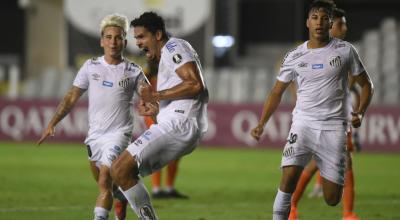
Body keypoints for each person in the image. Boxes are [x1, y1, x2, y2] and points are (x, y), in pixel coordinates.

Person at [250, 1, 374, 219]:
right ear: (308, 22)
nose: (319, 22)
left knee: (332, 198)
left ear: (329, 23)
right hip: (303, 124)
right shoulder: (294, 56)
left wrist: (361, 112)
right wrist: (262, 123)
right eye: (315, 17)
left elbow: (367, 85)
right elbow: (276, 92)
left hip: (334, 128)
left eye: (324, 18)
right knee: (287, 179)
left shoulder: (345, 51)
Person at [37, 14, 157, 220]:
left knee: (103, 181)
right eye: (108, 37)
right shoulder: (90, 67)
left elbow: (149, 98)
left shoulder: (133, 71)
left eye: (118, 37)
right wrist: (53, 122)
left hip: (118, 136)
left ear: (124, 42)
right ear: (102, 41)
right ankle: (125, 194)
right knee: (109, 185)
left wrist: (151, 108)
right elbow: (72, 96)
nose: (113, 42)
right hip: (95, 136)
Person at [111, 11, 208, 219]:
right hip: (178, 123)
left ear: (157, 35)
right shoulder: (166, 57)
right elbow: (183, 92)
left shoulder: (173, 47)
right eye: (136, 38)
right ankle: (123, 201)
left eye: (142, 36)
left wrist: (156, 94)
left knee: (119, 170)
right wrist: (157, 110)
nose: (138, 43)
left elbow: (195, 84)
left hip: (180, 124)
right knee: (122, 174)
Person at [289, 7, 361, 220]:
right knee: (323, 164)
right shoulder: (314, 52)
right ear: (331, 26)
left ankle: (293, 207)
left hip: (337, 119)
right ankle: (346, 213)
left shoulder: (345, 51)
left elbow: (352, 84)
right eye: (341, 24)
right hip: (318, 120)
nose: (345, 28)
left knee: (321, 164)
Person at [142, 61, 190, 200]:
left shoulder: (171, 75)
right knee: (159, 151)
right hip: (155, 115)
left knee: (176, 152)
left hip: (171, 114)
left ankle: (169, 188)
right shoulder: (148, 78)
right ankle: (157, 189)